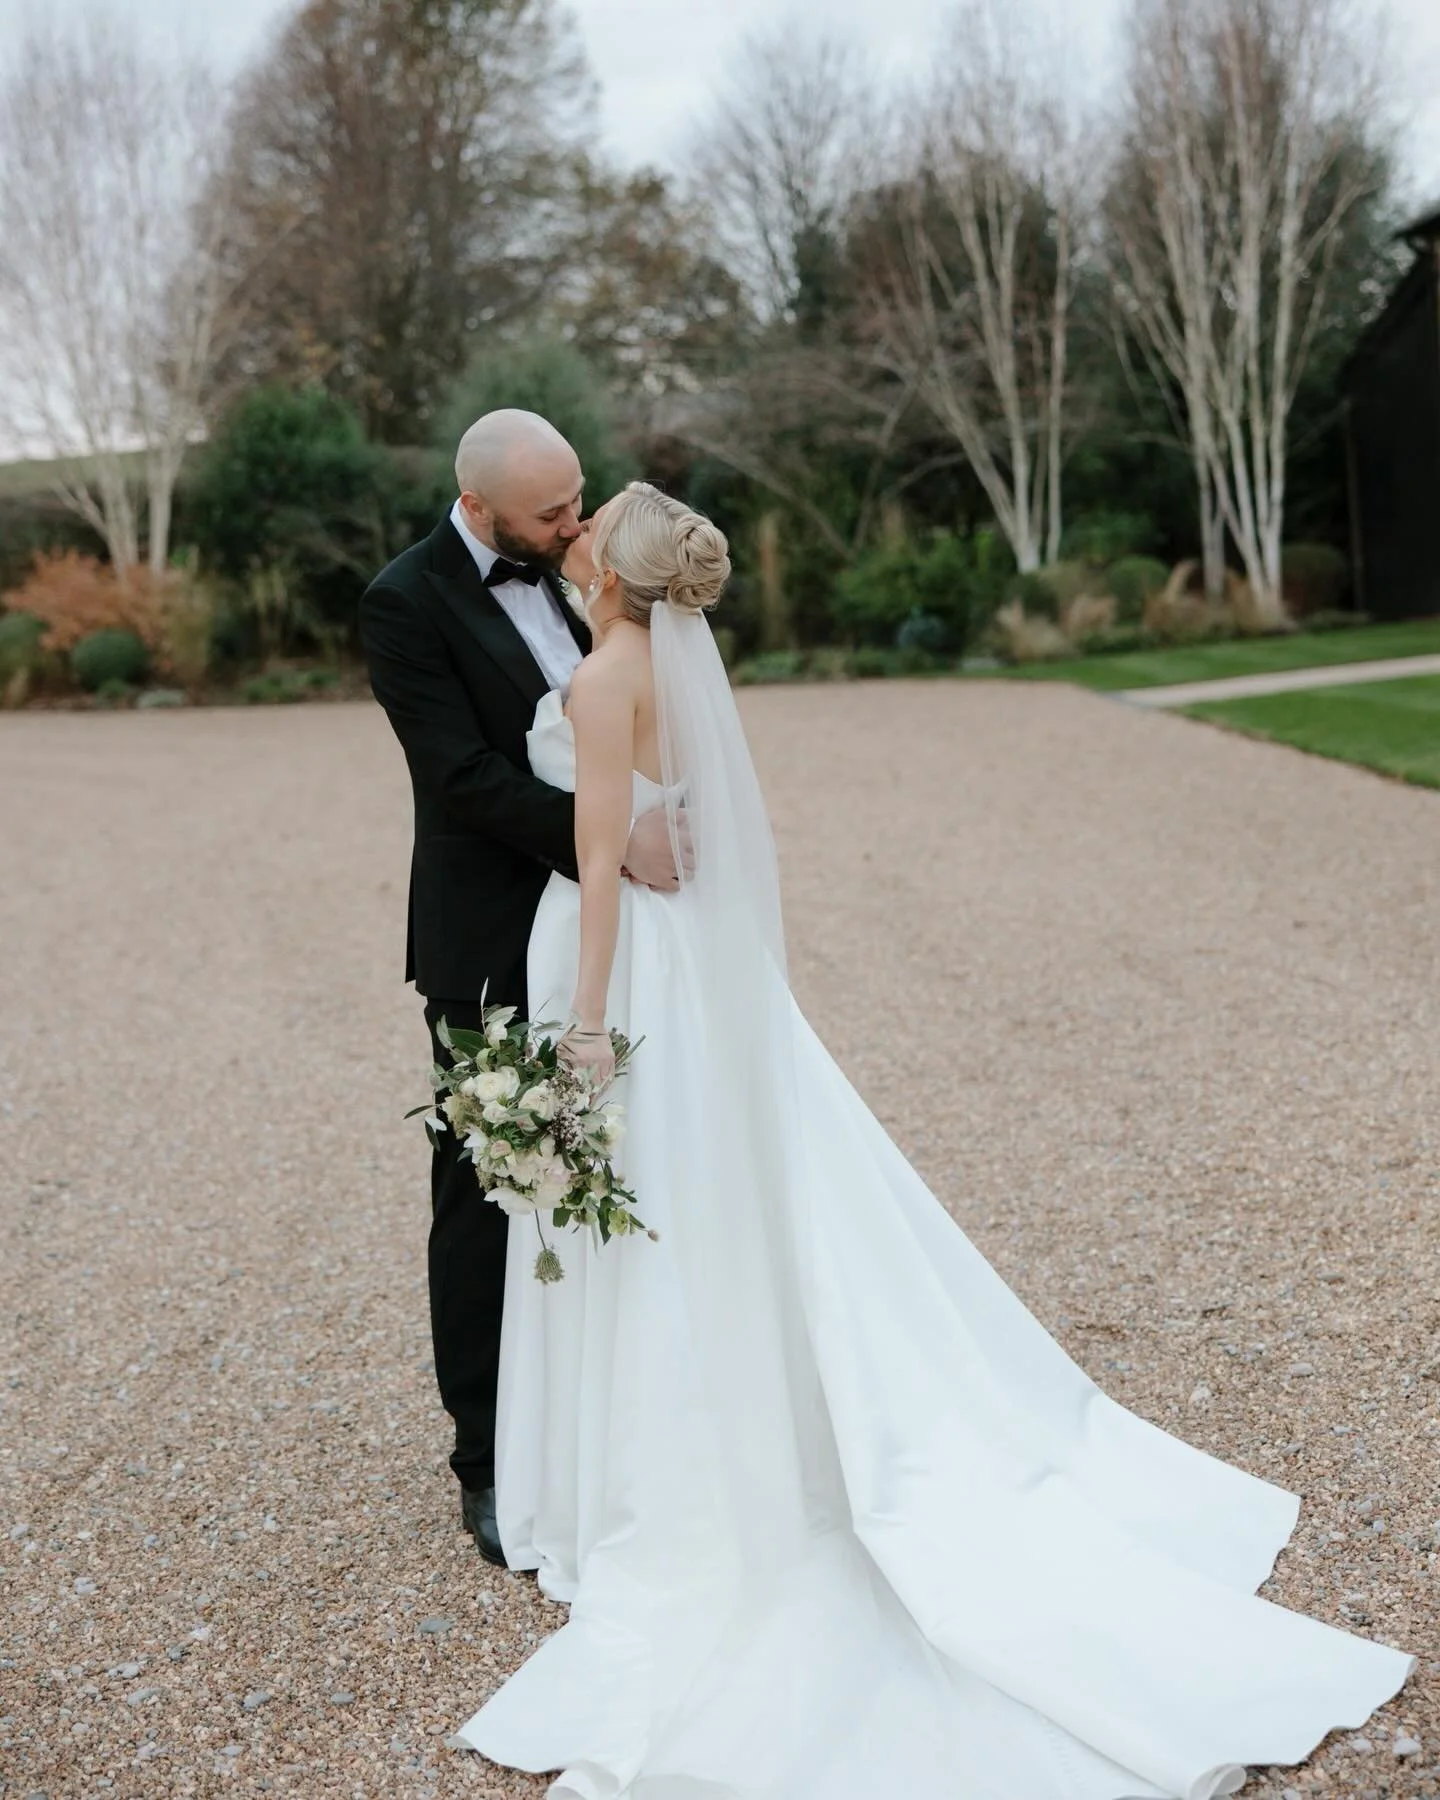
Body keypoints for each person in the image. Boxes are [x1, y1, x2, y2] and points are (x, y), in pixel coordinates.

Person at [452, 479, 1413, 1800]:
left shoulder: (606, 680)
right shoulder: (674, 667)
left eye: (583, 533)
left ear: (608, 577)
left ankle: (666, 1472)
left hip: (630, 973)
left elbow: (606, 861)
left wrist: (589, 1026)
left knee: (662, 1207)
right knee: (720, 1198)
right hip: (698, 971)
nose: (570, 545)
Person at [359, 413, 682, 1567]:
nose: (572, 521)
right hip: (492, 935)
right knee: (483, 1187)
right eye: (550, 512)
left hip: (607, 928)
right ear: (481, 507)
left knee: (625, 1158)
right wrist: (615, 841)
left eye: (577, 498)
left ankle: (599, 1422)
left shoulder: (575, 571)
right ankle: (487, 1463)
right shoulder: (404, 603)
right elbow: (461, 778)